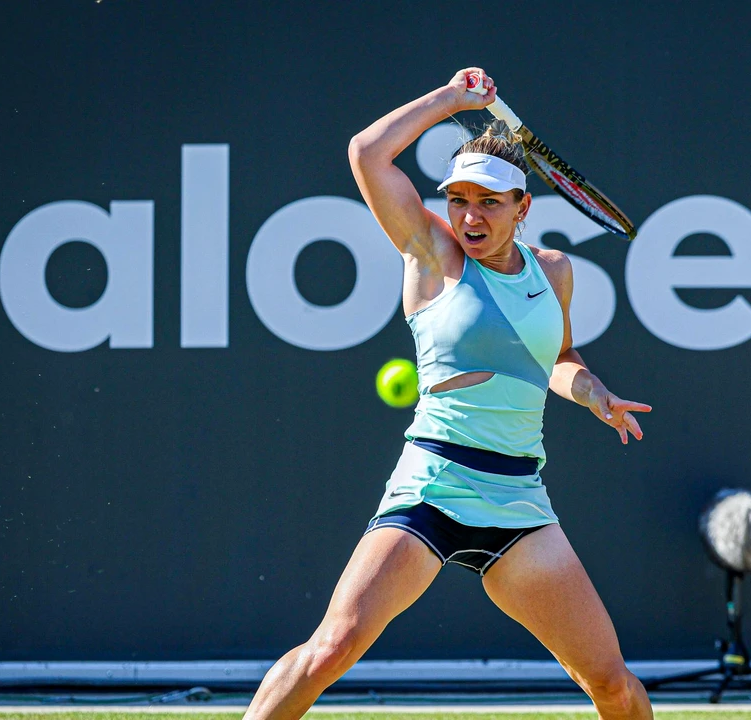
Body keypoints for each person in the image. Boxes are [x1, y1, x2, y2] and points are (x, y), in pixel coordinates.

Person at [241, 68, 654, 720]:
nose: (469, 214)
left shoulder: (555, 272)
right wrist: (450, 101)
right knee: (333, 648)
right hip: (433, 485)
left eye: (489, 202)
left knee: (610, 682)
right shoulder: (430, 253)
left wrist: (592, 392)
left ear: (522, 208)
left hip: (520, 500)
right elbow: (366, 153)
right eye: (459, 198)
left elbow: (557, 357)